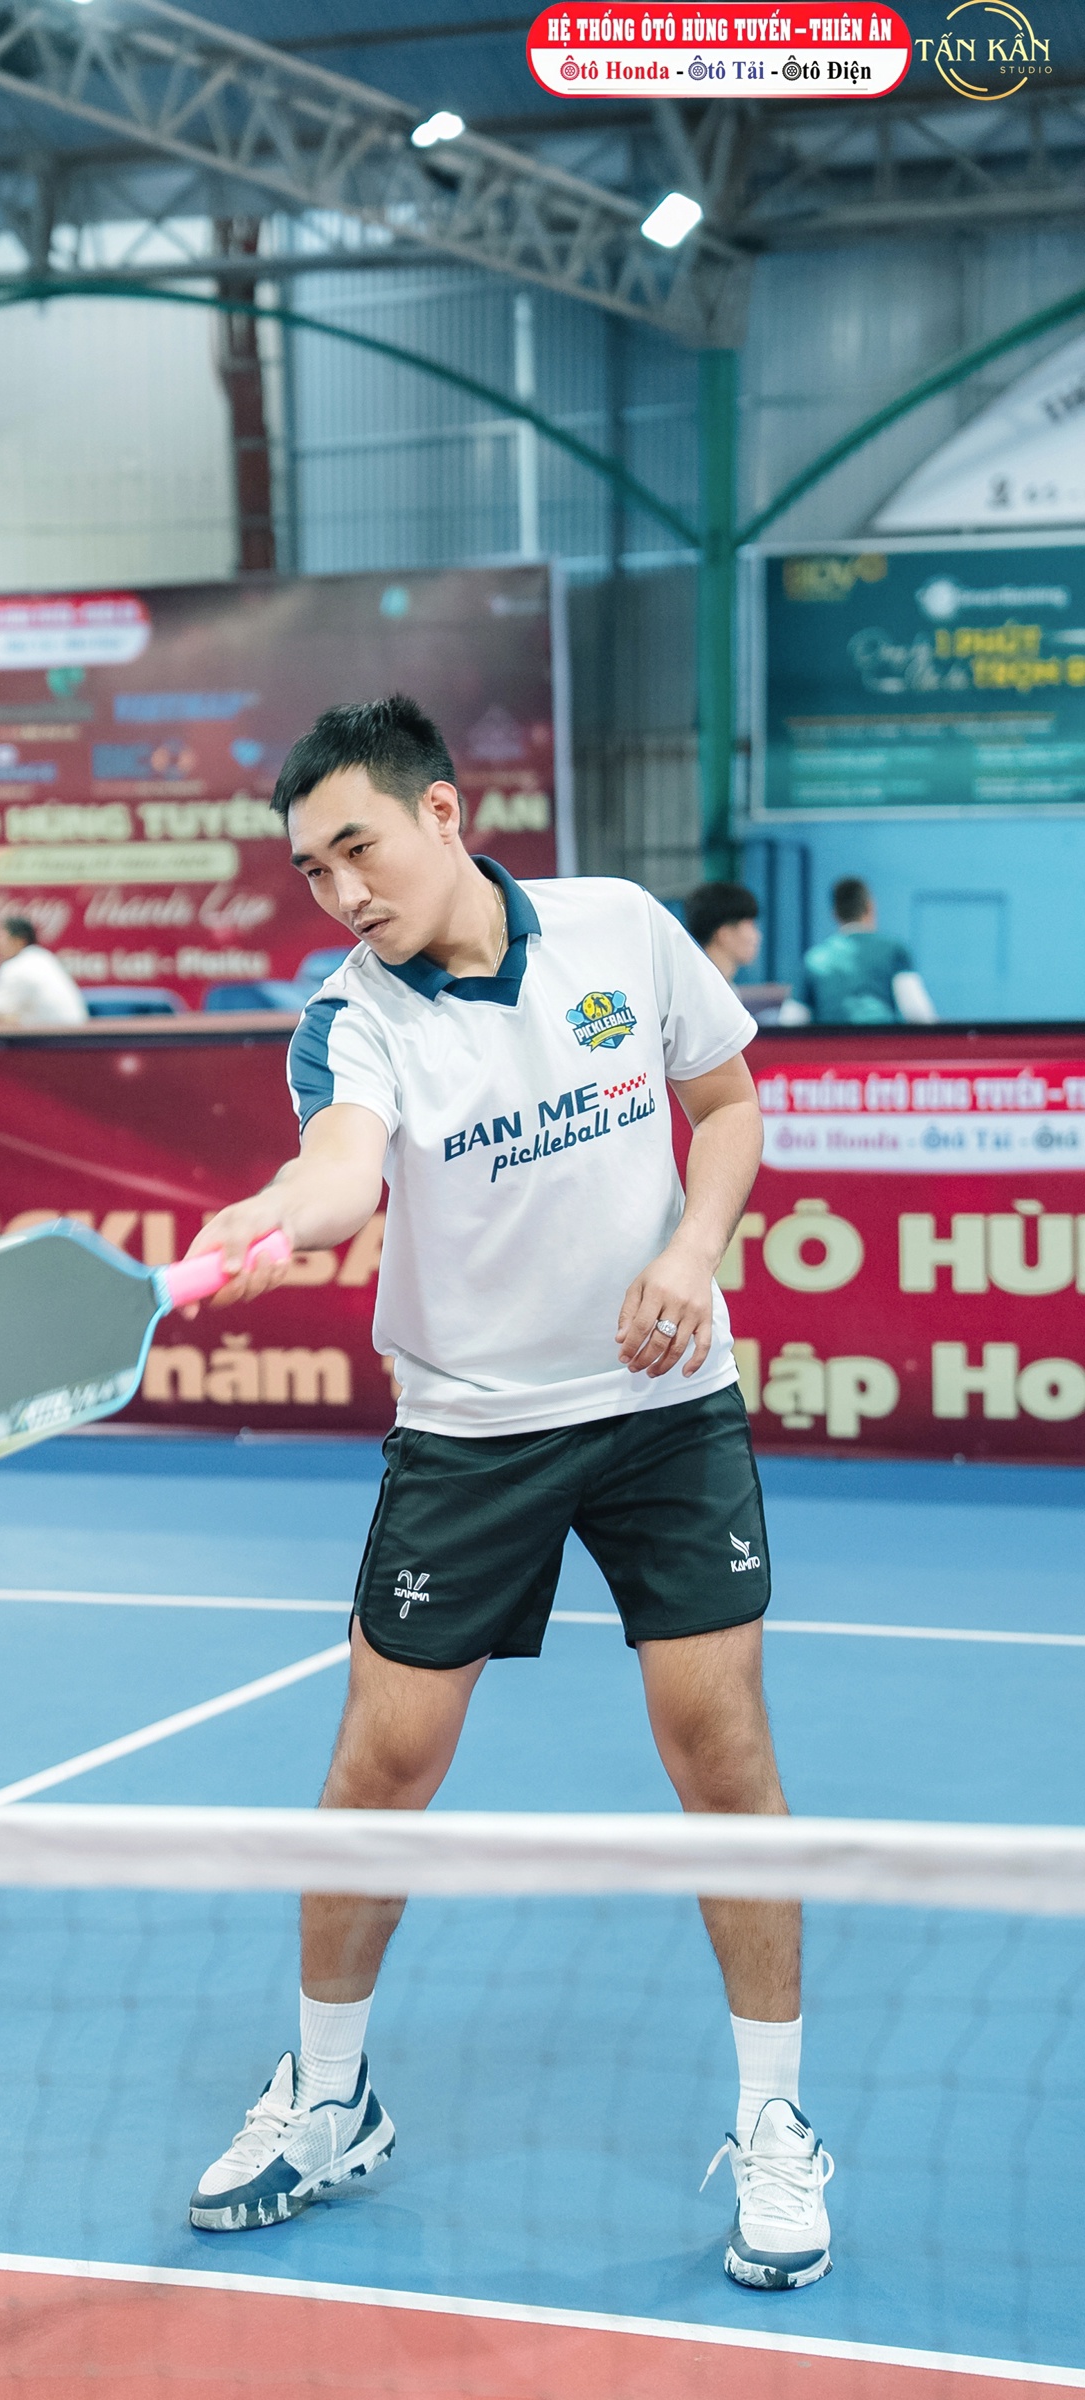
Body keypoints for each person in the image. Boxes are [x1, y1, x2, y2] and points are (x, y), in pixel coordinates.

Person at [181, 695, 833, 2293]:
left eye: (357, 848)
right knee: (380, 1767)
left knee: (720, 1753)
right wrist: (275, 1215)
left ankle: (773, 2124)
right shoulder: (350, 1019)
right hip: (471, 1429)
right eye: (310, 871)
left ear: (442, 814)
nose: (340, 892)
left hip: (662, 1408)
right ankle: (328, 2098)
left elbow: (729, 1108)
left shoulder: (617, 930)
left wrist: (690, 1251)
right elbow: (341, 1168)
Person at [795, 878, 936, 1025]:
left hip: (833, 1038)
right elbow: (917, 1012)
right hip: (880, 1037)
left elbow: (792, 1018)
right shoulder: (893, 950)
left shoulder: (814, 958)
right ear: (870, 907)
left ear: (835, 913)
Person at [0, 911, 88, 1029]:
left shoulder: (17, 966)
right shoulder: (43, 957)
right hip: (75, 1038)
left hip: (57, 1041)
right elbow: (11, 1018)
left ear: (20, 940)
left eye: (0, 938)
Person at [684, 882, 762, 986]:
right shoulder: (698, 987)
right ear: (725, 934)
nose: (757, 937)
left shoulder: (726, 986)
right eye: (750, 925)